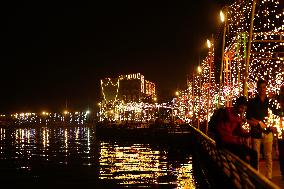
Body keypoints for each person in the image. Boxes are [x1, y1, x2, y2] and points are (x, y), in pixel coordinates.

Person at [215, 96, 258, 169]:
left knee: (254, 153)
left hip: (232, 142)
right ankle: (243, 175)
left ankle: (253, 176)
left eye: (244, 109)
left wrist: (250, 133)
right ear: (236, 105)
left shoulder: (237, 118)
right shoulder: (226, 111)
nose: (242, 111)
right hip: (224, 142)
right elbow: (226, 120)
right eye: (241, 108)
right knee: (243, 156)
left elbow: (239, 131)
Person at [246, 79, 273, 179]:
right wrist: (258, 122)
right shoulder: (252, 102)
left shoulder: (269, 102)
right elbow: (248, 117)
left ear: (266, 88)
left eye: (264, 87)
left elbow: (273, 114)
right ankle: (256, 174)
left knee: (268, 155)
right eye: (260, 87)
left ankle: (269, 176)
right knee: (255, 155)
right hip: (256, 132)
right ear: (257, 89)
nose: (262, 89)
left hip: (268, 131)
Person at [269, 84, 284, 179]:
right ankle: (283, 172)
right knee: (282, 152)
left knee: (282, 152)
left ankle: (283, 172)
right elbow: (274, 112)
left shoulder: (277, 103)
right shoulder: (277, 104)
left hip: (281, 130)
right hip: (280, 131)